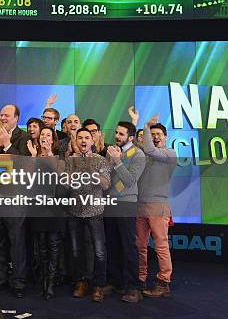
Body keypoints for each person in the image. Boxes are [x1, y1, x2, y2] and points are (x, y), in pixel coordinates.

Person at [0, 104, 31, 298]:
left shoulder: (24, 136)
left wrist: (8, 145)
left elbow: (24, 163)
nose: (3, 118)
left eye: (7, 115)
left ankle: (18, 282)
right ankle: (1, 278)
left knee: (17, 239)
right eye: (1, 115)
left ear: (16, 118)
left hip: (15, 197)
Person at [66, 128, 111, 302]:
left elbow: (106, 184)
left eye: (87, 138)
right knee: (77, 250)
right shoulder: (71, 160)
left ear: (92, 140)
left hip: (95, 212)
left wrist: (93, 173)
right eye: (80, 138)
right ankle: (81, 282)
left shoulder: (101, 160)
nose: (83, 141)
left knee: (99, 251)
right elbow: (67, 184)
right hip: (75, 211)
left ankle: (98, 285)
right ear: (76, 141)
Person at [104, 121, 146, 303]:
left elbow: (130, 181)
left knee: (129, 246)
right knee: (112, 244)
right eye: (116, 133)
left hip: (127, 203)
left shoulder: (138, 155)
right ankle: (116, 282)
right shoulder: (111, 151)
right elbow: (106, 177)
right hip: (110, 203)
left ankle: (133, 288)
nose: (117, 136)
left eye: (121, 134)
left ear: (130, 137)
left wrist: (118, 161)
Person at [136, 115, 176, 298]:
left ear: (165, 137)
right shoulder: (144, 155)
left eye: (158, 134)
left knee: (161, 245)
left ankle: (163, 282)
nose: (155, 137)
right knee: (140, 245)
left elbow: (151, 150)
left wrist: (145, 126)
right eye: (152, 135)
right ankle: (140, 278)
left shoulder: (169, 154)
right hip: (139, 205)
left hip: (158, 205)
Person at [28, 127, 67, 300]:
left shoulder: (60, 160)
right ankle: (43, 283)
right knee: (41, 248)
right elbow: (27, 182)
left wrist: (49, 153)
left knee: (54, 246)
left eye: (48, 136)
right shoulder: (33, 159)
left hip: (55, 209)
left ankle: (51, 284)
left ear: (53, 140)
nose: (44, 138)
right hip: (38, 208)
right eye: (42, 135)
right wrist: (34, 158)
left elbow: (61, 181)